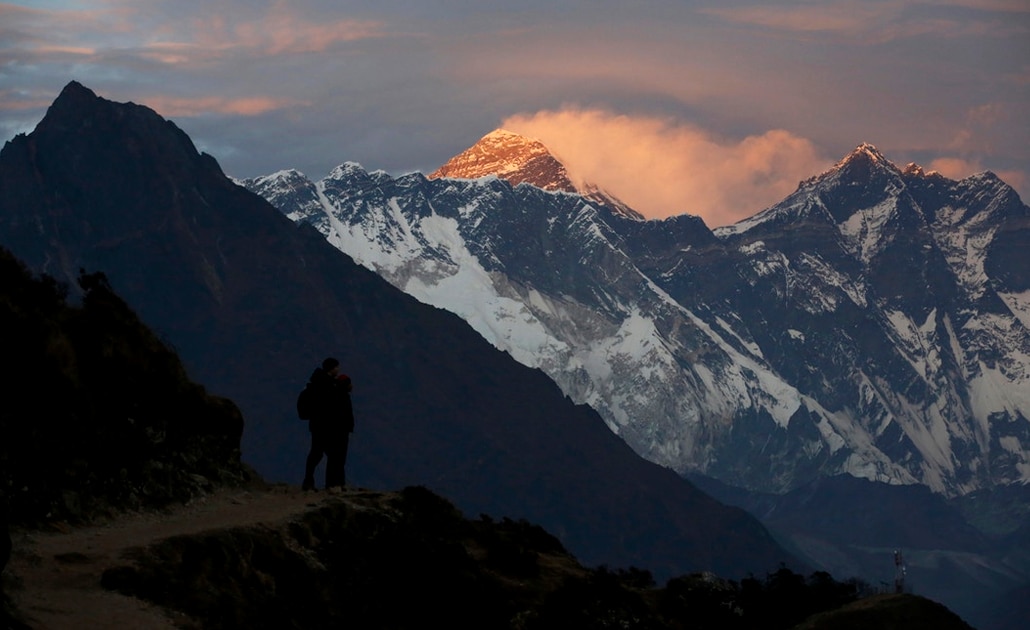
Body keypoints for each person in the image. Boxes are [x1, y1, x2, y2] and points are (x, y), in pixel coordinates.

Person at [301, 357, 355, 491]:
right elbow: (330, 407)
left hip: (319, 425)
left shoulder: (321, 382)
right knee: (324, 454)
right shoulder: (326, 384)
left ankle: (314, 481)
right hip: (324, 426)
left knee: (318, 453)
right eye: (337, 366)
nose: (338, 369)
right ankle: (329, 483)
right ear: (332, 368)